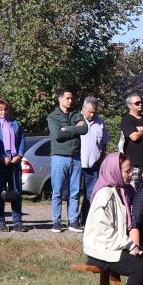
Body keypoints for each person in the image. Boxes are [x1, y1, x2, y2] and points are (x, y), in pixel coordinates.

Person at [81, 153, 143, 285]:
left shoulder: (123, 191)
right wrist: (130, 245)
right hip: (100, 250)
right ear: (115, 171)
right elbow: (104, 232)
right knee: (138, 267)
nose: (131, 174)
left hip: (113, 246)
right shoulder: (105, 195)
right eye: (127, 171)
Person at [45, 89, 87, 232]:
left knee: (75, 191)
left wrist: (67, 129)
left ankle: (73, 221)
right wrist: (75, 128)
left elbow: (85, 129)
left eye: (72, 98)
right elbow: (57, 135)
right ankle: (56, 221)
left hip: (76, 158)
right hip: (59, 158)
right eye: (68, 98)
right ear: (60, 99)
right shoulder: (52, 116)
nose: (71, 100)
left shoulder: (77, 114)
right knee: (57, 191)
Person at [0, 98, 26, 232]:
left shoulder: (14, 123)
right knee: (0, 193)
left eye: (5, 109)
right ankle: (1, 222)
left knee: (16, 192)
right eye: (0, 109)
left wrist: (19, 155)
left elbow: (22, 138)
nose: (3, 112)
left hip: (14, 162)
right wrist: (1, 157)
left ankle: (18, 222)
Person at [76, 96, 106, 227]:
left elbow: (104, 143)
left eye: (94, 112)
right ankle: (73, 221)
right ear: (83, 109)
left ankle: (86, 220)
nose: (92, 114)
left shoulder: (100, 122)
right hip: (77, 164)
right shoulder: (75, 120)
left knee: (91, 194)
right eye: (90, 111)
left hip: (93, 165)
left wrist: (101, 159)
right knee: (74, 194)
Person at [119, 93, 143, 173]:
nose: (140, 104)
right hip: (134, 164)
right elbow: (134, 137)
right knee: (133, 185)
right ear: (130, 106)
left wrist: (142, 129)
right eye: (137, 103)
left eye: (141, 102)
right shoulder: (126, 120)